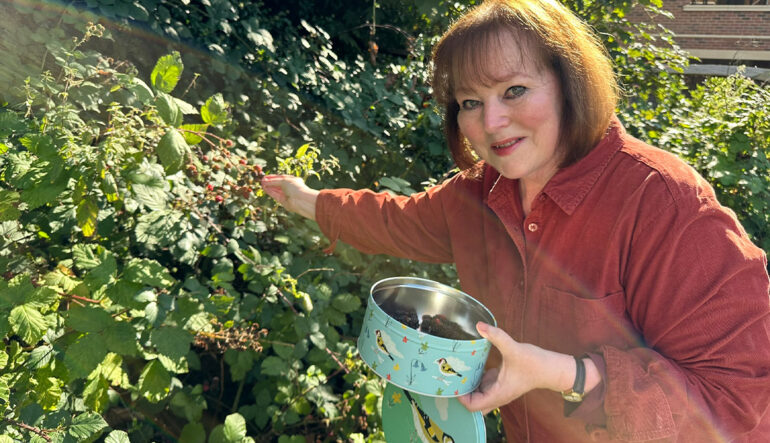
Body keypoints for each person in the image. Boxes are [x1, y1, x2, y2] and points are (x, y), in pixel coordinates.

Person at [261, 0, 770, 440]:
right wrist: (308, 201)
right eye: (469, 102)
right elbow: (395, 220)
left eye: (514, 90)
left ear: (569, 81)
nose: (491, 122)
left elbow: (736, 393)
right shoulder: (480, 194)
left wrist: (565, 374)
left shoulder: (660, 202)